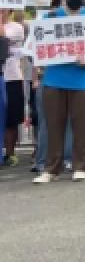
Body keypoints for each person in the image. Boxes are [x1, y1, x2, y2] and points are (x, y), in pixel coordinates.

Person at [33, 0, 85, 183]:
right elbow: (37, 46)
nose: (75, 1)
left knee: (80, 126)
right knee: (54, 125)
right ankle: (51, 169)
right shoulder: (51, 17)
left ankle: (80, 166)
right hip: (54, 79)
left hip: (82, 80)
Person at [2, 9, 25, 166]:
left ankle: (10, 153)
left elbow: (3, 38)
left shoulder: (16, 27)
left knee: (12, 118)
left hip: (12, 77)